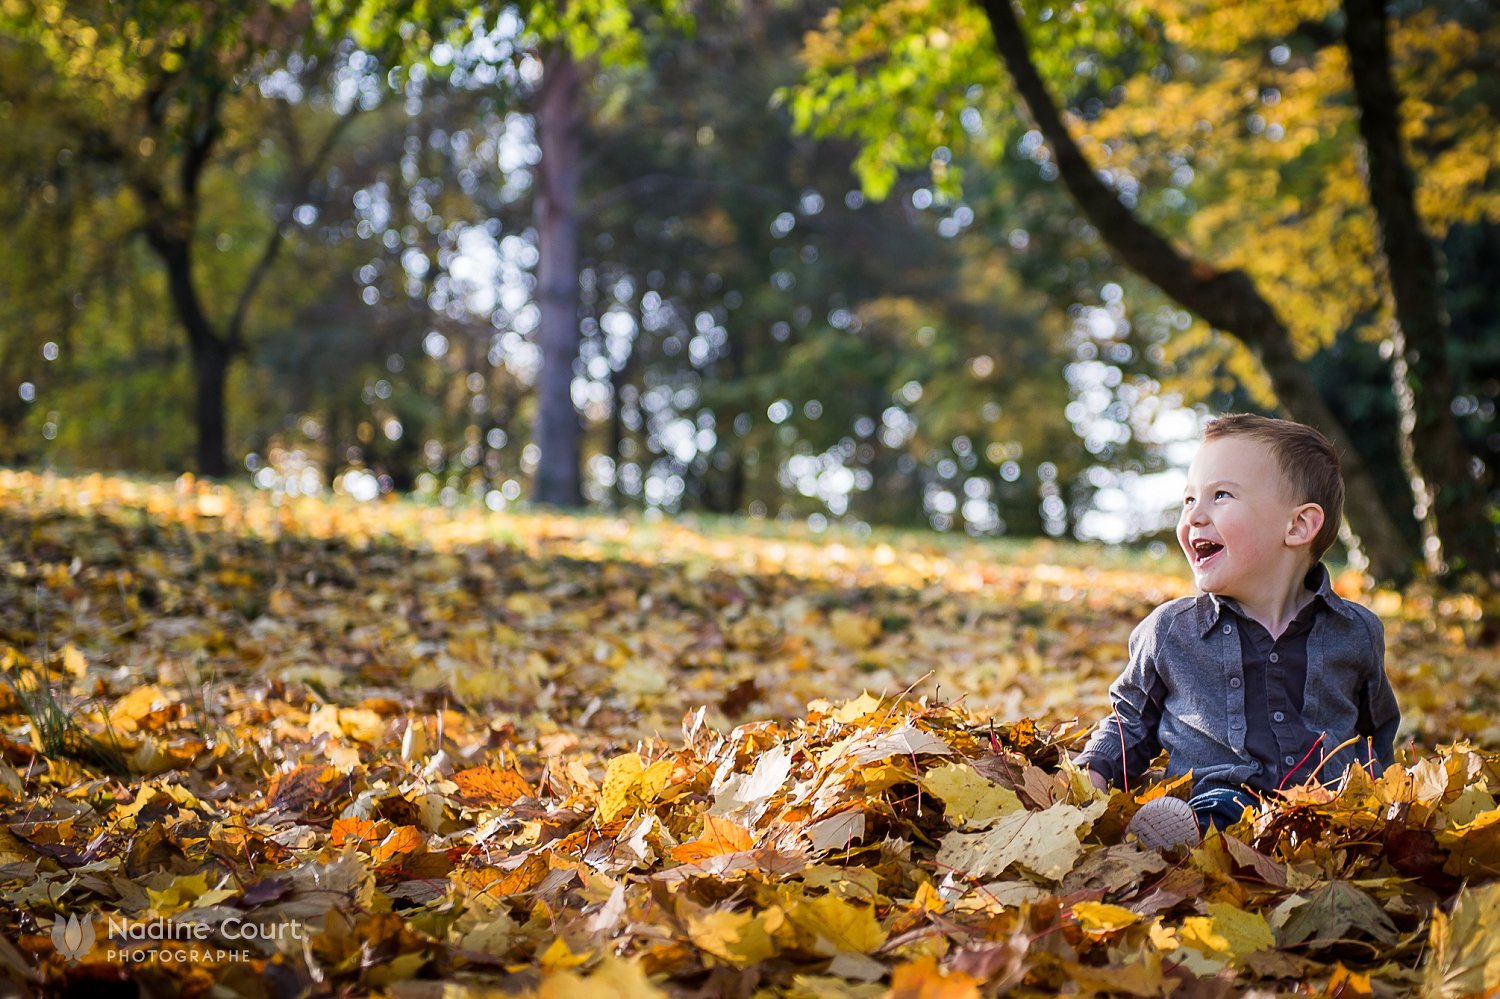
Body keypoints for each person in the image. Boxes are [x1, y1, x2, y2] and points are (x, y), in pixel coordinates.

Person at [1073, 413, 1400, 848]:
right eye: (1189, 500)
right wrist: (1092, 774)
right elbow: (1128, 721)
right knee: (1216, 811)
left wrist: (1381, 791)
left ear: (1298, 526)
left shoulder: (1356, 630)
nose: (1194, 517)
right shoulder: (1171, 631)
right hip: (1222, 802)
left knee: (1355, 827)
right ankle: (1179, 841)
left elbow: (1375, 729)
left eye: (1220, 495)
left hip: (1328, 808)